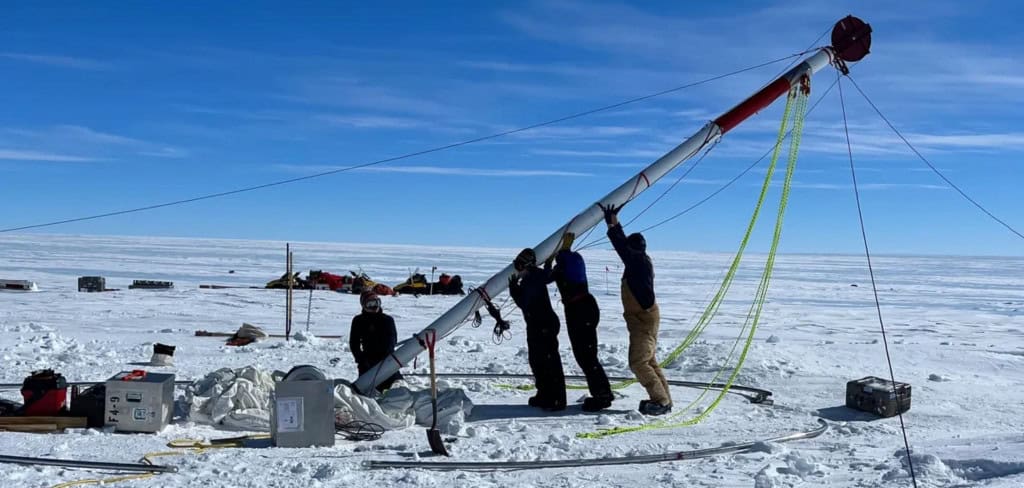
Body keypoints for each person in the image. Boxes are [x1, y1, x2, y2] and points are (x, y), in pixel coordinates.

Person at [598, 203, 672, 415]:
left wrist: (613, 224)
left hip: (643, 320)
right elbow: (624, 248)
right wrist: (613, 223)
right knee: (648, 361)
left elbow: (622, 247)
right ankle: (664, 400)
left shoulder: (638, 262)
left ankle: (660, 401)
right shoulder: (639, 261)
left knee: (639, 362)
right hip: (644, 319)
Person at [544, 233, 614, 412]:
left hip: (578, 311)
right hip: (585, 308)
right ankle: (602, 393)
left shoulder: (566, 265)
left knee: (586, 356)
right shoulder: (575, 261)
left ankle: (602, 396)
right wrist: (558, 256)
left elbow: (546, 278)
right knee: (587, 355)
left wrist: (549, 262)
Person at [509, 247, 567, 411]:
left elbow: (524, 303)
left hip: (543, 325)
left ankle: (556, 399)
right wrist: (548, 265)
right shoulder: (536, 275)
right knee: (537, 361)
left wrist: (514, 291)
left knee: (548, 363)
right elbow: (549, 276)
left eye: (519, 266)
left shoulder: (531, 280)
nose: (517, 270)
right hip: (539, 325)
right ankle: (544, 394)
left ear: (526, 266)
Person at [349, 290, 402, 392]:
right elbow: (354, 343)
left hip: (387, 361)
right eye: (370, 304)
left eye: (376, 302)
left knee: (395, 390)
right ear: (363, 305)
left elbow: (392, 341)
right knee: (365, 391)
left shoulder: (387, 320)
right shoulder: (359, 321)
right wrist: (361, 360)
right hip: (367, 362)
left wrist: (387, 359)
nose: (374, 306)